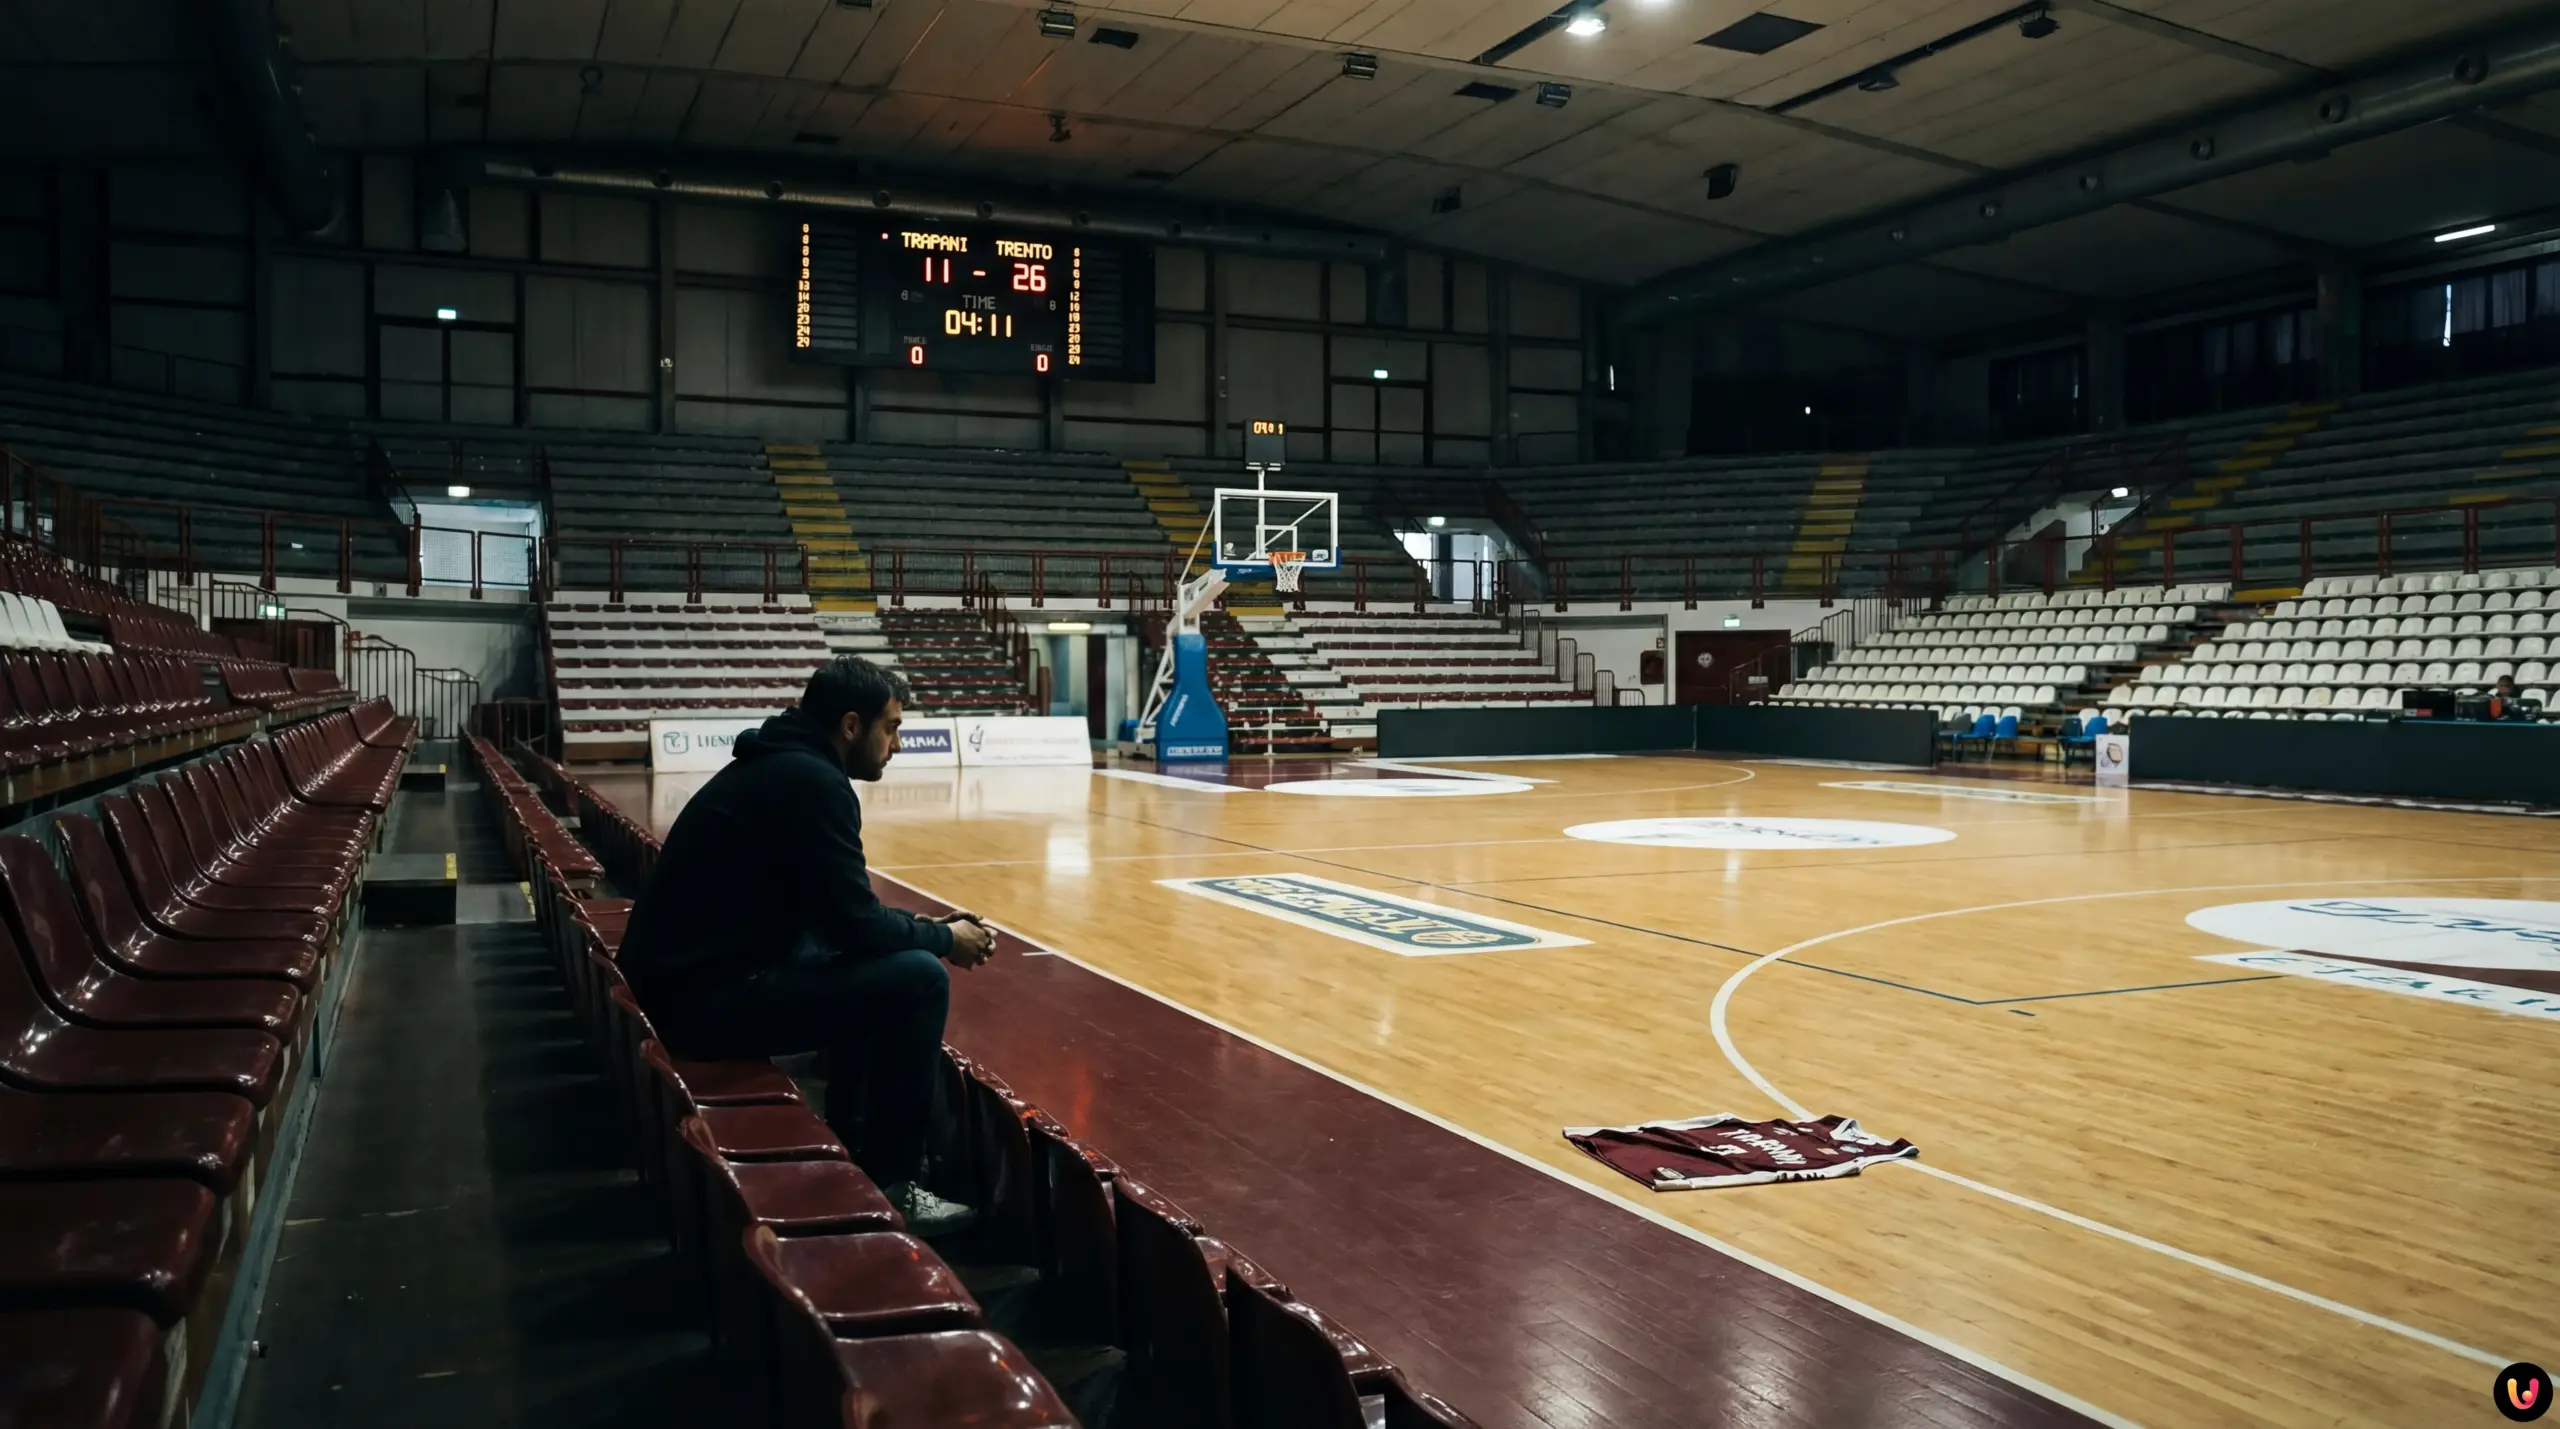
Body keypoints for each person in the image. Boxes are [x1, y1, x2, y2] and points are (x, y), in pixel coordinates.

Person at [617, 657, 996, 1234]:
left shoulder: (778, 764)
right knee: (921, 978)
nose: (898, 745)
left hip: (683, 984)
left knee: (884, 962)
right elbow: (855, 926)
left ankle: (856, 1143)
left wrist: (915, 923)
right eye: (891, 727)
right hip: (700, 1007)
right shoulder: (814, 783)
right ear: (850, 725)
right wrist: (943, 938)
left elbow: (839, 913)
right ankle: (894, 1183)